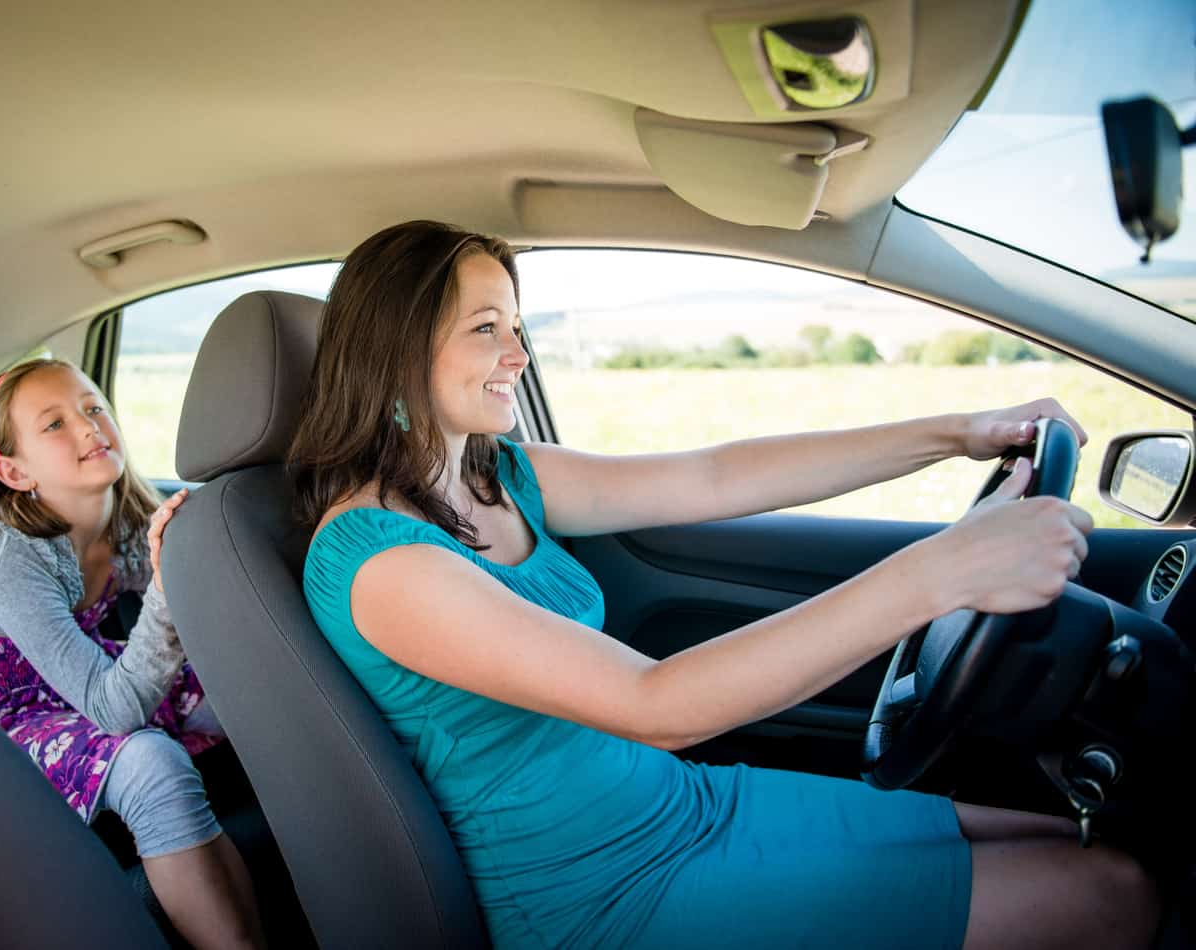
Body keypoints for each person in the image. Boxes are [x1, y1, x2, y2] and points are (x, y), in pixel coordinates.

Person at [289, 220, 1161, 949]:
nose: (519, 351)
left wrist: (960, 431)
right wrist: (941, 569)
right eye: (487, 328)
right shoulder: (382, 564)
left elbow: (714, 477)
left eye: (517, 325)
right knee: (1109, 894)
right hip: (596, 896)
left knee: (1073, 838)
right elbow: (654, 703)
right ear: (400, 352)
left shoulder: (499, 476)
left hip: (684, 807)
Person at [0, 358, 266, 950]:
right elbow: (113, 710)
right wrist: (168, 589)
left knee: (247, 692)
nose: (90, 427)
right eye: (55, 424)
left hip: (88, 670)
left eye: (94, 407)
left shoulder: (130, 516)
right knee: (150, 762)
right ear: (13, 471)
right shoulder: (8, 555)